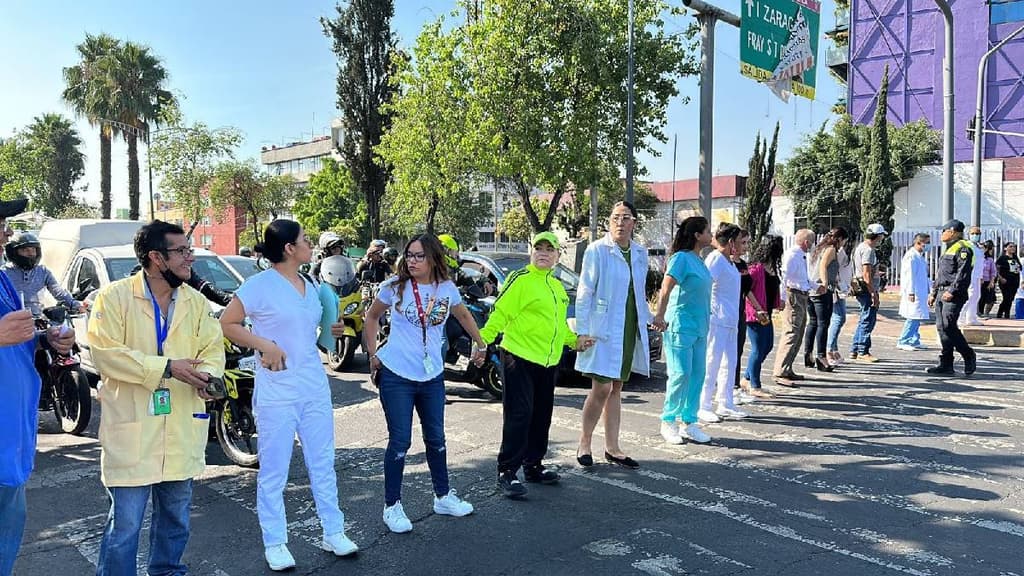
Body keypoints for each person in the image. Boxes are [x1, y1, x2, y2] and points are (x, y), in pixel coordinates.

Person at [87, 220, 225, 576]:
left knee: (176, 519)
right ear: (155, 257)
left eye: (188, 250)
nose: (189, 259)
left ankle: (167, 572)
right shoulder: (114, 297)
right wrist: (166, 367)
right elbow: (105, 354)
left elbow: (212, 348)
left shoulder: (196, 302)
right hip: (133, 430)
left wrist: (208, 376)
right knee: (125, 527)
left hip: (180, 425)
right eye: (181, 251)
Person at [219, 220, 358, 571]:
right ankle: (276, 541)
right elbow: (228, 322)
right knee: (275, 469)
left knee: (322, 461)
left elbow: (309, 330)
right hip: (277, 389)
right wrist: (264, 345)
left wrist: (332, 329)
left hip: (312, 384)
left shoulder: (311, 284)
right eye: (304, 240)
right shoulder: (259, 286)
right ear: (288, 249)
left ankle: (333, 531)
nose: (310, 244)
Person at [362, 234, 482, 533]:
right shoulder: (394, 287)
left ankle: (442, 496)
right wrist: (373, 353)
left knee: (437, 439)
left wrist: (480, 342)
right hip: (397, 375)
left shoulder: (446, 288)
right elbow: (372, 316)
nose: (412, 261)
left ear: (433, 259)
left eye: (419, 256)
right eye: (409, 255)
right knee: (400, 442)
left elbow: (463, 313)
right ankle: (392, 506)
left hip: (432, 377)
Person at [0, 198, 76, 576]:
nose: (7, 232)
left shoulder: (0, 277)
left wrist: (47, 341)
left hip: (12, 443)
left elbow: (18, 336)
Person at [479, 232, 585, 498]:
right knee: (519, 414)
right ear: (531, 251)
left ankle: (533, 465)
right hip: (519, 356)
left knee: (541, 415)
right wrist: (483, 342)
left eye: (550, 249)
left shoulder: (558, 287)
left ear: (558, 256)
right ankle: (507, 472)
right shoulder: (521, 280)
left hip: (548, 362)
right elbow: (500, 313)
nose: (544, 253)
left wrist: (575, 342)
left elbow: (559, 326)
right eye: (539, 248)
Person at [574, 202, 653, 467]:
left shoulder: (640, 253)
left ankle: (613, 447)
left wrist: (652, 319)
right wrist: (583, 331)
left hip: (629, 325)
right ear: (609, 222)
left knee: (616, 387)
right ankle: (585, 442)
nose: (620, 222)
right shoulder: (597, 250)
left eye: (626, 218)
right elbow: (585, 292)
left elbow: (638, 294)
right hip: (603, 326)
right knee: (602, 387)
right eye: (615, 218)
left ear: (634, 223)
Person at [652, 216, 712, 445]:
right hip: (680, 325)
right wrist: (659, 315)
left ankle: (689, 422)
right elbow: (666, 288)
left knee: (697, 374)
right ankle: (668, 421)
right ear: (697, 235)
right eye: (708, 231)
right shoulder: (680, 259)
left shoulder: (699, 260)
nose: (711, 235)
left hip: (699, 327)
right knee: (680, 374)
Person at [695, 223, 748, 423]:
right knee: (711, 362)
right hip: (717, 320)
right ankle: (704, 405)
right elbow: (705, 285)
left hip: (731, 320)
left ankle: (725, 402)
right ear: (731, 242)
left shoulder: (730, 262)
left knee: (729, 363)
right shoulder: (716, 259)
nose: (744, 245)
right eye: (740, 241)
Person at [773, 229, 823, 385]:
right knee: (791, 333)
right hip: (793, 296)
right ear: (806, 242)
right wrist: (781, 298)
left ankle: (787, 368)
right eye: (812, 242)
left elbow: (802, 278)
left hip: (801, 294)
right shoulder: (792, 254)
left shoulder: (801, 255)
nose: (813, 245)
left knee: (799, 332)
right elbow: (784, 277)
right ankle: (780, 371)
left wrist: (815, 286)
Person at [927, 219, 977, 375]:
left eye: (944, 231)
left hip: (953, 293)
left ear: (953, 231)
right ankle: (946, 363)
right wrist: (934, 292)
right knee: (942, 328)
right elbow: (942, 274)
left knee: (949, 326)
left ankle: (968, 355)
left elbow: (963, 274)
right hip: (942, 291)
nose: (942, 234)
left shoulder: (963, 248)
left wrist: (952, 291)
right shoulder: (949, 248)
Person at [3, 231, 84, 317]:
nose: (30, 254)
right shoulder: (4, 272)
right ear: (14, 253)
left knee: (66, 330)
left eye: (33, 250)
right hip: (11, 319)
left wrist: (76, 305)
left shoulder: (42, 271)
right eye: (25, 250)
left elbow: (57, 290)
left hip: (37, 319)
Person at [742, 234, 784, 399]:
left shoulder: (771, 267)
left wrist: (777, 300)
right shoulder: (756, 268)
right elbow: (747, 290)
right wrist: (758, 308)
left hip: (767, 313)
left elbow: (772, 287)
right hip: (756, 314)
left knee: (767, 347)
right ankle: (755, 385)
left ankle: (747, 378)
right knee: (758, 349)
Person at [803, 227, 848, 372]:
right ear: (839, 239)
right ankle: (821, 357)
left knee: (814, 322)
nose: (843, 245)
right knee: (823, 324)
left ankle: (808, 353)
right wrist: (825, 283)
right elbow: (823, 266)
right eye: (844, 241)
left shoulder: (819, 248)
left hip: (812, 289)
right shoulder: (831, 249)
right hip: (822, 291)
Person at [849, 223, 887, 363]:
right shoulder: (868, 250)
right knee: (868, 319)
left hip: (862, 286)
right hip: (866, 288)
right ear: (877, 236)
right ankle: (862, 350)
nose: (882, 239)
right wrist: (873, 293)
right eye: (881, 236)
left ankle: (855, 349)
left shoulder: (860, 247)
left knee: (864, 318)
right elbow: (866, 274)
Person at [897, 233, 932, 351]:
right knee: (912, 317)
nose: (928, 245)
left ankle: (914, 340)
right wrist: (910, 292)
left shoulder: (919, 256)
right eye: (926, 243)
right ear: (918, 243)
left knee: (918, 317)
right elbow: (909, 276)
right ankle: (903, 340)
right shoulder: (911, 256)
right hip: (913, 292)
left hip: (920, 291)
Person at [731, 229, 754, 404]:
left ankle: (735, 386)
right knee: (727, 353)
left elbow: (748, 291)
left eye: (747, 242)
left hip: (740, 312)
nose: (746, 246)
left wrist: (759, 308)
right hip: (727, 314)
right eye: (743, 242)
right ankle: (729, 388)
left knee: (738, 351)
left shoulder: (743, 265)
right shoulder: (727, 263)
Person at [827, 241, 854, 365]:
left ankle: (833, 348)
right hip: (837, 288)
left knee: (839, 318)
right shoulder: (839, 252)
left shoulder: (845, 253)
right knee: (838, 318)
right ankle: (829, 350)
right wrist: (838, 284)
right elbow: (835, 270)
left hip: (843, 288)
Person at [960, 226, 985, 326]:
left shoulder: (978, 247)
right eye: (973, 233)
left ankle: (971, 318)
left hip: (977, 275)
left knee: (976, 296)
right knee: (969, 297)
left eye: (978, 234)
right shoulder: (967, 246)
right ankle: (960, 318)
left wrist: (981, 276)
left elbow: (980, 262)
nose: (975, 235)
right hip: (970, 275)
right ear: (969, 235)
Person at [996, 242, 1021, 319]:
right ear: (1005, 248)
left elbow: (1019, 268)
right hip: (1005, 281)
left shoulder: (1015, 258)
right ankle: (1002, 313)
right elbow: (996, 269)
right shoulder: (1002, 258)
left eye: (1014, 247)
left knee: (1011, 298)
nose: (1013, 248)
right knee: (1007, 297)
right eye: (1010, 246)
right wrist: (1000, 278)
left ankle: (1005, 313)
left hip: (1014, 281)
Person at [979, 240, 997, 316]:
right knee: (980, 299)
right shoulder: (977, 259)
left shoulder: (989, 259)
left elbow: (993, 271)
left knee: (990, 299)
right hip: (978, 281)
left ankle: (986, 313)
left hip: (988, 281)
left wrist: (992, 282)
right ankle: (979, 313)